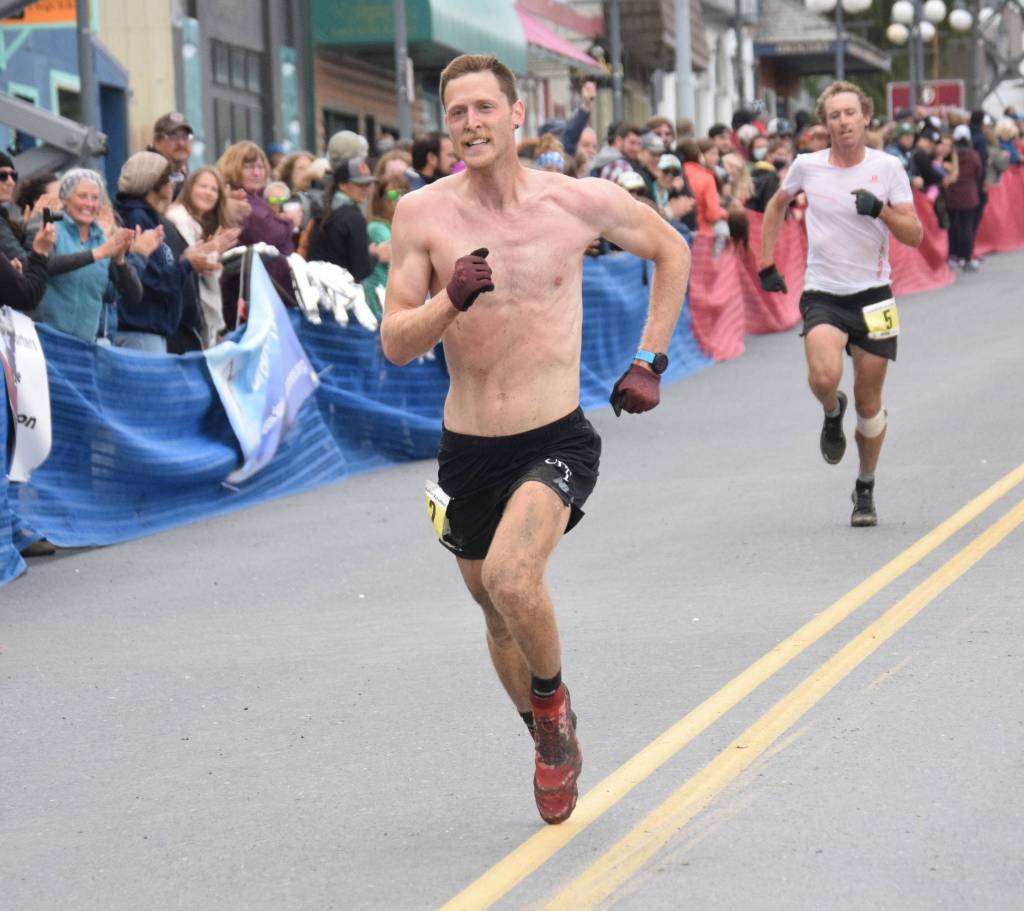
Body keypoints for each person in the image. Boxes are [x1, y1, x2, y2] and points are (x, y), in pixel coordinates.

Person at [380, 53, 690, 826]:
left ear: (518, 115)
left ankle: (551, 714)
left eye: (486, 107)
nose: (472, 123)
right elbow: (393, 341)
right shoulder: (422, 215)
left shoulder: (576, 201)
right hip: (466, 448)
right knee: (491, 607)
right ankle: (546, 733)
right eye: (457, 112)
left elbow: (672, 249)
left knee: (516, 581)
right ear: (446, 125)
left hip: (555, 435)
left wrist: (651, 357)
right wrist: (448, 300)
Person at [759, 80, 922, 527]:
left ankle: (865, 486)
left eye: (850, 113)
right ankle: (832, 410)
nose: (844, 122)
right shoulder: (808, 166)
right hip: (824, 293)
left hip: (873, 297)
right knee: (824, 375)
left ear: (865, 117)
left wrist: (880, 211)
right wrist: (765, 262)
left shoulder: (888, 167)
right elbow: (776, 205)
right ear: (825, 123)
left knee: (870, 404)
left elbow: (914, 234)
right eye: (835, 115)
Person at [114, 151, 218, 352]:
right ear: (154, 183)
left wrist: (188, 259)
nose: (173, 185)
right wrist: (188, 263)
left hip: (149, 330)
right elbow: (152, 281)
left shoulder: (148, 217)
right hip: (140, 330)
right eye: (170, 179)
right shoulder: (137, 219)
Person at [34, 169, 143, 343]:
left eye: (94, 198)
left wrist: (120, 261)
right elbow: (45, 265)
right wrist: (96, 254)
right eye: (82, 196)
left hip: (85, 346)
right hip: (46, 340)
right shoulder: (51, 228)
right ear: (65, 200)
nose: (89, 203)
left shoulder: (103, 238)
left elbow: (133, 296)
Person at [216, 140, 297, 326]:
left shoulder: (258, 199)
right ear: (233, 168)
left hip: (270, 297)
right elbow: (268, 233)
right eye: (249, 167)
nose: (257, 172)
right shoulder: (240, 201)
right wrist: (290, 221)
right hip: (249, 299)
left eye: (260, 167)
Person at [165, 167, 242, 346]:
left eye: (214, 189)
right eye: (203, 186)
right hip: (181, 316)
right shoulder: (177, 219)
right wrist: (212, 250)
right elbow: (187, 262)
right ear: (190, 188)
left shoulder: (198, 225)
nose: (208, 193)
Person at [307, 159, 382, 282]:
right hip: (342, 292)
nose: (365, 189)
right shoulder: (353, 217)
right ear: (342, 185)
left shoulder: (324, 209)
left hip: (318, 287)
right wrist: (376, 255)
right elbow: (360, 271)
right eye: (359, 184)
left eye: (368, 184)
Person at [362, 174, 408, 318]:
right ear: (380, 200)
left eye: (404, 193)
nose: (400, 198)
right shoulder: (376, 227)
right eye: (394, 194)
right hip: (380, 295)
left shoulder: (400, 225)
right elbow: (403, 255)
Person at [944, 124, 983, 272]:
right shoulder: (974, 155)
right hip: (969, 196)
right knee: (967, 228)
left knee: (952, 227)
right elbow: (979, 174)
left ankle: (953, 256)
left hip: (952, 195)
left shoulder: (950, 155)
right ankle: (966, 259)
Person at [148, 111, 193, 198]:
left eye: (185, 136)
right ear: (157, 141)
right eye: (173, 137)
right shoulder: (148, 177)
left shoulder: (184, 174)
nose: (181, 143)